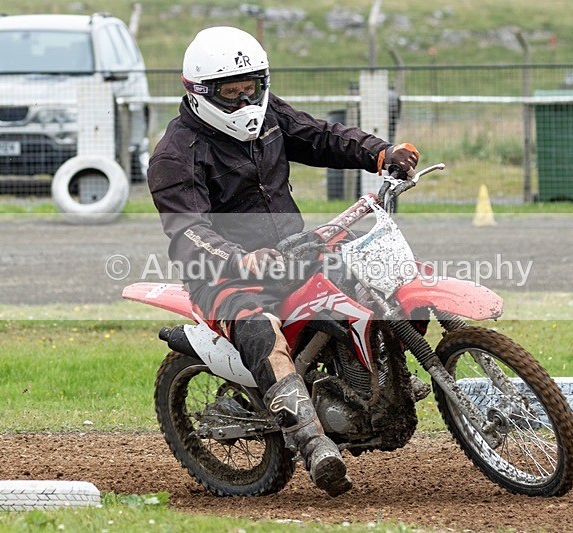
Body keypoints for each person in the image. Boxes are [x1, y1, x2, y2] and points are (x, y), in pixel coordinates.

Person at [147, 26, 419, 497]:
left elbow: (319, 136)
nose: (243, 101)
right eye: (229, 93)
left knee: (372, 277)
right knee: (258, 329)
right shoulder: (175, 154)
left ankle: (389, 378)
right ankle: (314, 445)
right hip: (221, 276)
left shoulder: (269, 115)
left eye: (249, 87)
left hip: (293, 252)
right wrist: (241, 258)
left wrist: (379, 152)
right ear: (200, 93)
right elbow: (189, 230)